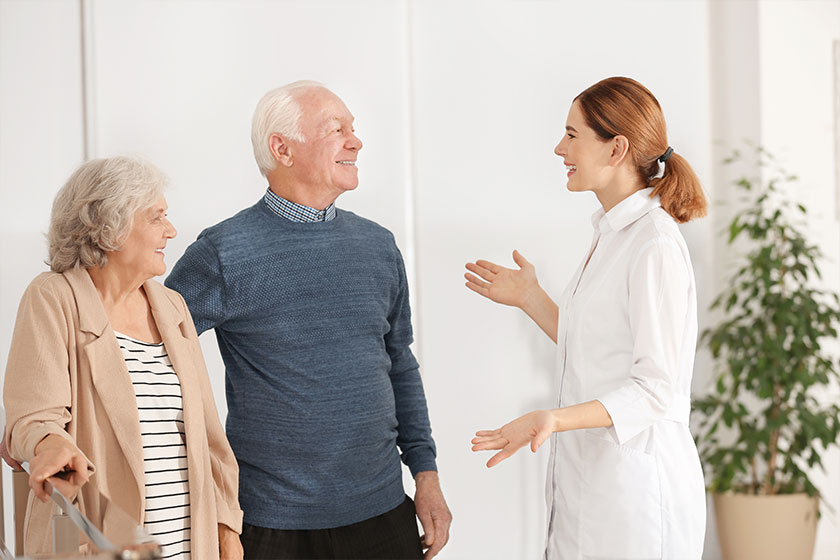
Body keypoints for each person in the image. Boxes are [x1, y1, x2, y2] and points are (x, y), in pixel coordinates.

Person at [165, 80, 451, 560]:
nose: (355, 141)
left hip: (384, 516)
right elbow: (142, 346)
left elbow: (400, 364)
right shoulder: (224, 252)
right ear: (282, 148)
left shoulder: (378, 246)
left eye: (353, 129)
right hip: (272, 527)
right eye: (336, 129)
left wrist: (426, 476)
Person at [465, 77, 707, 559]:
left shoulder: (654, 244)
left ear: (617, 148)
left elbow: (656, 388)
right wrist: (532, 298)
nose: (560, 148)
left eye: (573, 135)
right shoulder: (613, 233)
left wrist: (552, 418)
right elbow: (600, 348)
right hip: (593, 481)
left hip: (636, 494)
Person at [3, 157, 243, 559]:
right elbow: (32, 417)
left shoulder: (173, 306)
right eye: (156, 217)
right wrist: (48, 445)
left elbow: (208, 436)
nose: (171, 230)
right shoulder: (53, 298)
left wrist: (226, 529)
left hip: (190, 546)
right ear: (109, 226)